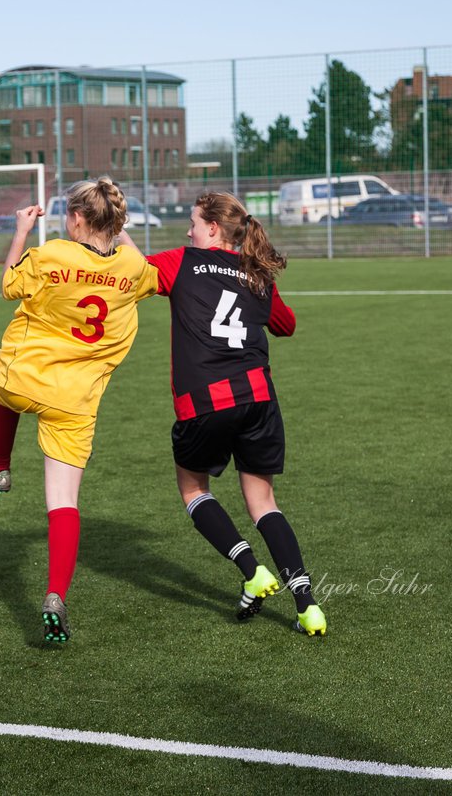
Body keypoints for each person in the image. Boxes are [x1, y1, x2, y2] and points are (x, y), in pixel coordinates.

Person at [0, 178, 159, 643]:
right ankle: (56, 594)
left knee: (0, 386)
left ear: (74, 218)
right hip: (76, 400)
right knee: (64, 503)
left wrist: (20, 231)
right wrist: (121, 236)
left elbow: (10, 284)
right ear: (116, 221)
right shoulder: (132, 266)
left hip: (26, 382)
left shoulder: (52, 252)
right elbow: (148, 272)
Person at [142, 192, 325, 636]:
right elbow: (286, 324)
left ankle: (252, 570)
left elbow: (132, 269)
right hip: (258, 397)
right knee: (263, 503)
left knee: (192, 489)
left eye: (192, 222)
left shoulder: (181, 260)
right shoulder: (255, 272)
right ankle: (308, 605)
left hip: (204, 400)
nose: (187, 231)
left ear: (210, 229)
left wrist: (118, 231)